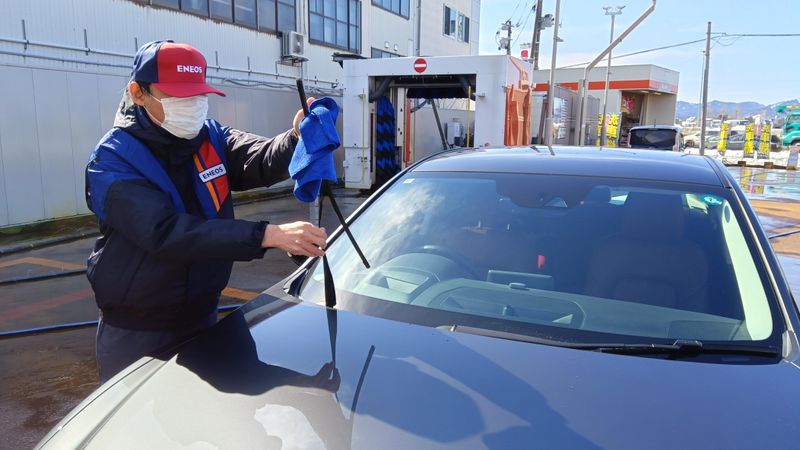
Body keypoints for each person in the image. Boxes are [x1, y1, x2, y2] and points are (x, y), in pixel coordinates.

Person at [85, 40, 327, 383]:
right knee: (137, 416)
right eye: (178, 96)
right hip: (137, 331)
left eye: (198, 95)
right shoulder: (112, 160)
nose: (193, 106)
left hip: (202, 316)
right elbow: (166, 232)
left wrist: (296, 138)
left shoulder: (208, 137)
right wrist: (267, 235)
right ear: (138, 93)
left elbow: (257, 158)